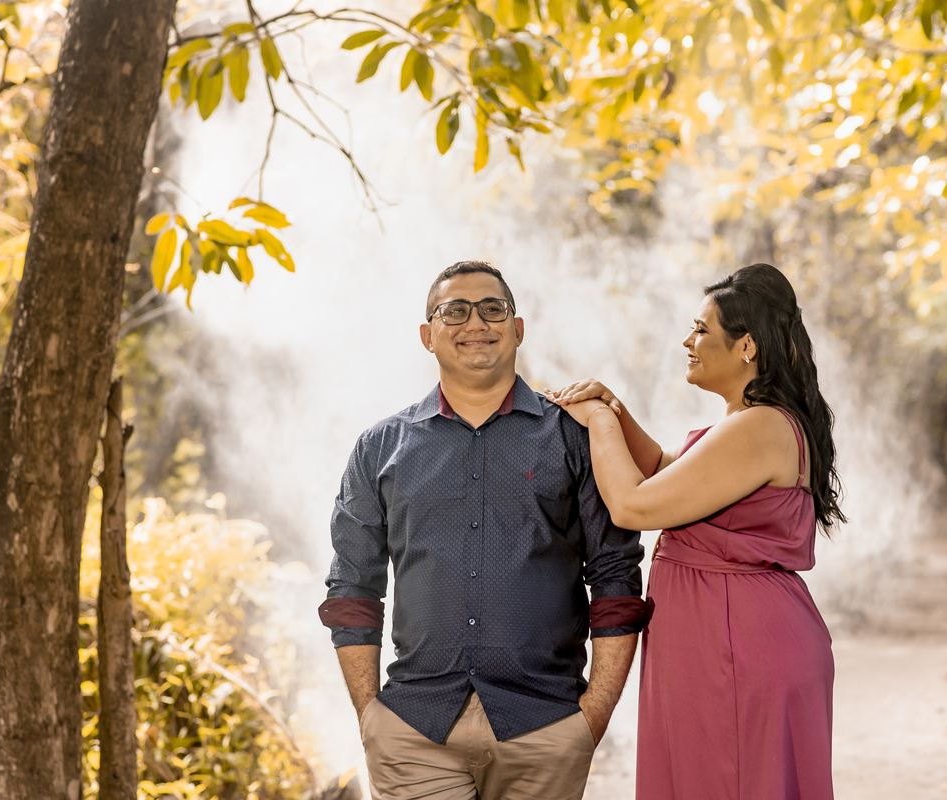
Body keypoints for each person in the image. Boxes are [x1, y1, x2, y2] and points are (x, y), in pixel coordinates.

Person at [319, 260, 652, 800]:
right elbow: (353, 587)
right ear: (428, 336)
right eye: (454, 311)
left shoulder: (573, 436)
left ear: (517, 329)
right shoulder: (380, 447)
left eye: (492, 309)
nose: (475, 323)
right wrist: (371, 715)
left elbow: (616, 577)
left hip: (545, 726)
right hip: (415, 730)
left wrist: (592, 716)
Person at [548, 262, 842, 800]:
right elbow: (664, 470)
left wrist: (600, 422)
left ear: (746, 346)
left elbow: (633, 505)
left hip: (736, 649)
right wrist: (616, 408)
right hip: (723, 641)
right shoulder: (748, 424)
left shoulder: (760, 426)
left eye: (702, 330)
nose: (688, 341)